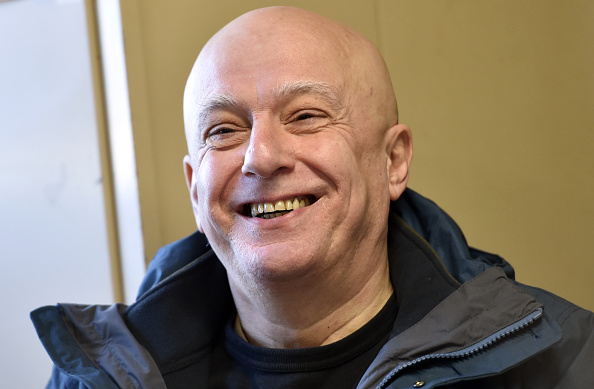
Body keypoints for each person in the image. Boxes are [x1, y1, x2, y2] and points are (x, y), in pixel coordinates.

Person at [32, 6, 594, 389]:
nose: (261, 156)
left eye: (306, 116)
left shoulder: (561, 362)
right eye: (223, 130)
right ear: (193, 185)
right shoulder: (94, 377)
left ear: (392, 161)